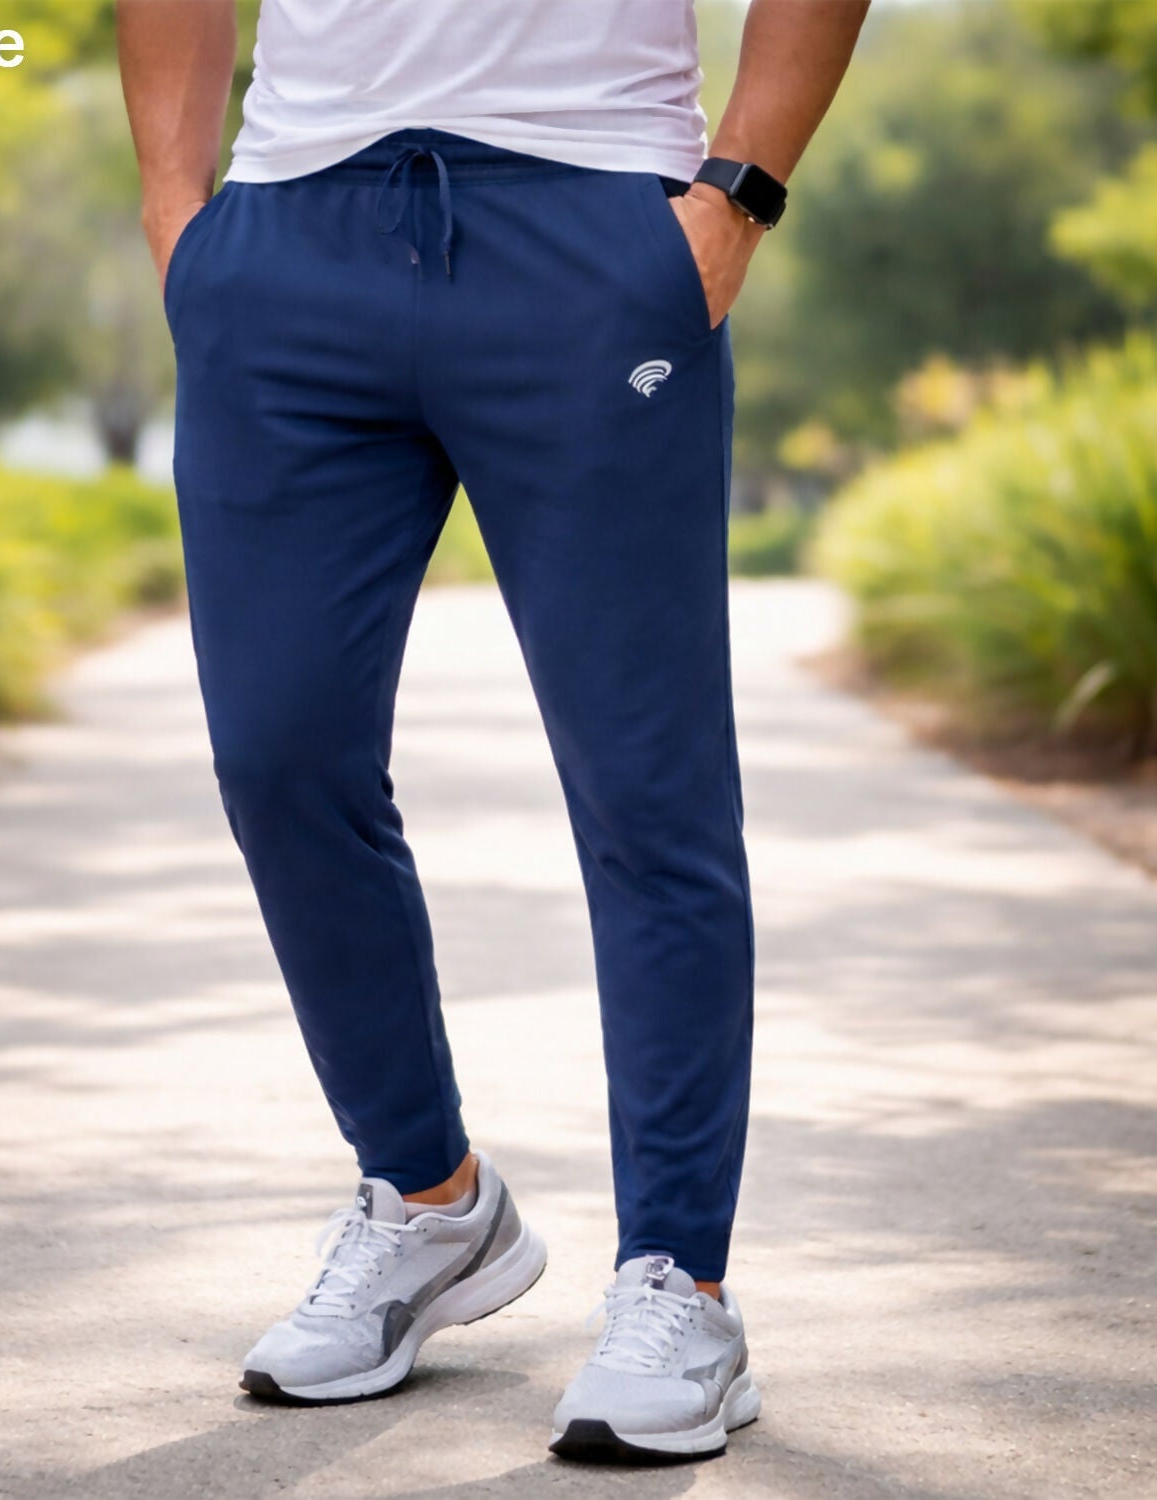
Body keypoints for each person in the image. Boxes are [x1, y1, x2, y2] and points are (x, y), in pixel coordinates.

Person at [118, 0, 868, 1464]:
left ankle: (680, 1284)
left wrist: (736, 196)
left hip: (592, 227)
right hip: (286, 234)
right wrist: (177, 216)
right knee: (278, 756)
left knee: (645, 787)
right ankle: (427, 1198)